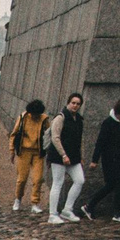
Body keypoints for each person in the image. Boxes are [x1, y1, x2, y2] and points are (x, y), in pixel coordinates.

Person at [80, 98, 120, 221]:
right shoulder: (108, 123)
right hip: (110, 160)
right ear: (117, 112)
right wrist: (95, 160)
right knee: (119, 184)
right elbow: (100, 143)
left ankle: (90, 206)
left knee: (112, 185)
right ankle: (117, 212)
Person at [46, 92, 87, 224]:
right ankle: (52, 214)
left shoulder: (79, 120)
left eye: (78, 104)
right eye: (73, 103)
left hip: (73, 157)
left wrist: (80, 156)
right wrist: (63, 154)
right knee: (57, 183)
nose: (75, 106)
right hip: (58, 156)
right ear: (68, 103)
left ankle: (67, 209)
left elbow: (79, 140)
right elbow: (55, 137)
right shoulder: (60, 117)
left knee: (79, 180)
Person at [9, 99, 48, 214]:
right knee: (22, 179)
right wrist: (12, 151)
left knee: (38, 179)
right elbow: (14, 134)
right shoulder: (23, 117)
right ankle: (18, 199)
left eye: (37, 115)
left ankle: (35, 203)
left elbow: (48, 135)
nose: (36, 117)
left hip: (38, 152)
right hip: (24, 151)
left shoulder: (44, 119)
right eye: (34, 115)